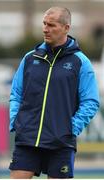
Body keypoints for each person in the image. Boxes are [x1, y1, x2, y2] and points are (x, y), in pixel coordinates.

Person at [9, 6, 99, 179]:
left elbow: (91, 102)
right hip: (28, 138)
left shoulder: (81, 62)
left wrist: (70, 128)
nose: (45, 29)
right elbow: (16, 93)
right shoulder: (30, 58)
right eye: (44, 24)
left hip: (61, 143)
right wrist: (16, 120)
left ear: (66, 28)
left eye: (51, 25)